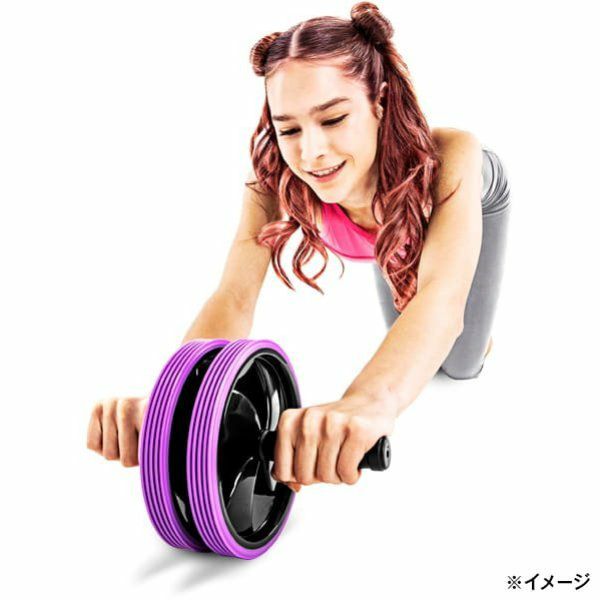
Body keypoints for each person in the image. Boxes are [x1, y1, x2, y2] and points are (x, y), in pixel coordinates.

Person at [87, 2, 510, 495]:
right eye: (289, 129)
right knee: (413, 338)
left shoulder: (453, 155)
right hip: (388, 230)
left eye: (333, 119)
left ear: (379, 101)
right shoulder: (275, 175)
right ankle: (400, 250)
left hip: (457, 195)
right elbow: (234, 295)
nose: (311, 153)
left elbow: (441, 300)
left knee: (459, 364)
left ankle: (472, 336)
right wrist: (177, 400)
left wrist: (366, 403)